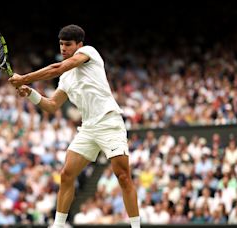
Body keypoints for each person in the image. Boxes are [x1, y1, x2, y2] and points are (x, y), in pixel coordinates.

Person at [8, 24, 140, 228]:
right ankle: (58, 225)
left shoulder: (88, 53)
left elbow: (57, 68)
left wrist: (25, 78)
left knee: (123, 176)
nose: (63, 48)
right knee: (66, 174)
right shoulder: (66, 78)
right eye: (61, 44)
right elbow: (52, 105)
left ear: (79, 45)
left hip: (109, 122)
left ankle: (136, 226)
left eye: (67, 44)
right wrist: (31, 93)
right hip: (88, 128)